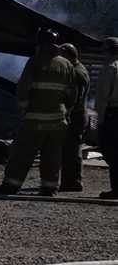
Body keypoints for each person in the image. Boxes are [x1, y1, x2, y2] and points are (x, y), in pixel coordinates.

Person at [0, 28, 76, 196]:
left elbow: (23, 87)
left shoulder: (35, 61)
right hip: (58, 120)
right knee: (52, 155)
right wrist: (65, 111)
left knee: (22, 152)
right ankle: (49, 187)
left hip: (34, 119)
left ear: (40, 43)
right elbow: (72, 93)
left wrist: (23, 108)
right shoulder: (66, 64)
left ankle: (11, 185)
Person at [58, 43, 90, 192]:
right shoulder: (77, 69)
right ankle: (70, 181)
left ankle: (72, 182)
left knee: (71, 150)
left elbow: (75, 98)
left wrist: (66, 114)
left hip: (75, 115)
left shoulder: (76, 72)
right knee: (70, 149)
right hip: (77, 114)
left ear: (68, 55)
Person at [95, 37, 118, 199]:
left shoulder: (109, 68)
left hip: (113, 115)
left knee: (111, 152)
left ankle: (116, 189)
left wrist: (99, 120)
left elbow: (103, 97)